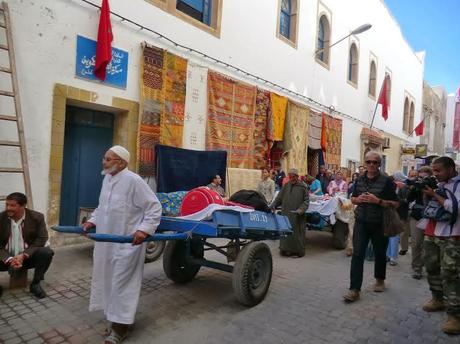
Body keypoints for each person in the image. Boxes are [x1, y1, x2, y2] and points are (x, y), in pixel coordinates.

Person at [82, 145, 162, 343]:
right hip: (106, 243)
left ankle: (120, 329)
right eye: (104, 157)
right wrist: (93, 220)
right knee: (108, 281)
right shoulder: (107, 179)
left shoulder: (134, 180)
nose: (104, 161)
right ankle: (116, 321)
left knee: (122, 285)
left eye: (108, 159)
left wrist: (144, 229)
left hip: (127, 245)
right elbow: (103, 207)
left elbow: (154, 207)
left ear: (121, 162)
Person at [343, 151, 399, 303]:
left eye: (375, 162)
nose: (371, 165)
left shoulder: (387, 181)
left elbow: (396, 203)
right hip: (361, 221)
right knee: (357, 254)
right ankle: (354, 289)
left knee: (380, 253)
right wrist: (358, 199)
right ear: (365, 163)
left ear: (379, 164)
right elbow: (352, 199)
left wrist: (378, 201)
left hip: (380, 223)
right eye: (369, 162)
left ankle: (380, 279)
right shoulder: (359, 179)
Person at [420, 157, 460, 335]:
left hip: (452, 235)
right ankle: (437, 298)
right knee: (431, 267)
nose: (435, 174)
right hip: (431, 230)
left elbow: (456, 208)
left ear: (451, 169)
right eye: (433, 171)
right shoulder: (436, 183)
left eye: (438, 171)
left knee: (450, 273)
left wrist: (435, 195)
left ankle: (455, 315)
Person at [0, 193, 53, 299]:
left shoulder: (37, 217)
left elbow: (42, 238)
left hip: (27, 258)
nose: (8, 208)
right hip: (5, 258)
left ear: (23, 205)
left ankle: (35, 284)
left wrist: (24, 255)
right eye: (7, 205)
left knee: (47, 252)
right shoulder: (1, 217)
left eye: (12, 205)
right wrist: (10, 259)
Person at [271, 168, 309, 258]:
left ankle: (298, 252)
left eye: (293, 177)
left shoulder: (303, 186)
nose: (291, 178)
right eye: (290, 176)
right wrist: (273, 205)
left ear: (297, 176)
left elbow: (306, 201)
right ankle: (285, 249)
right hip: (286, 213)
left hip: (297, 215)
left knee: (297, 233)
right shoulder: (286, 185)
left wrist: (301, 210)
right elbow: (279, 197)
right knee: (286, 231)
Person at [407, 166, 432, 279]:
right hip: (416, 216)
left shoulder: (434, 184)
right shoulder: (416, 185)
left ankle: (428, 265)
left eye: (425, 174)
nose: (422, 176)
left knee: (428, 245)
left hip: (431, 218)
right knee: (416, 243)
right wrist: (415, 187)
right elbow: (409, 198)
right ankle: (417, 268)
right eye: (420, 174)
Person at [386, 171, 409, 266]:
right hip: (390, 213)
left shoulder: (404, 187)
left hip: (399, 214)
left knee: (394, 236)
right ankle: (387, 255)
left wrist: (395, 201)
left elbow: (406, 200)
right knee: (388, 235)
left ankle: (393, 257)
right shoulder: (393, 185)